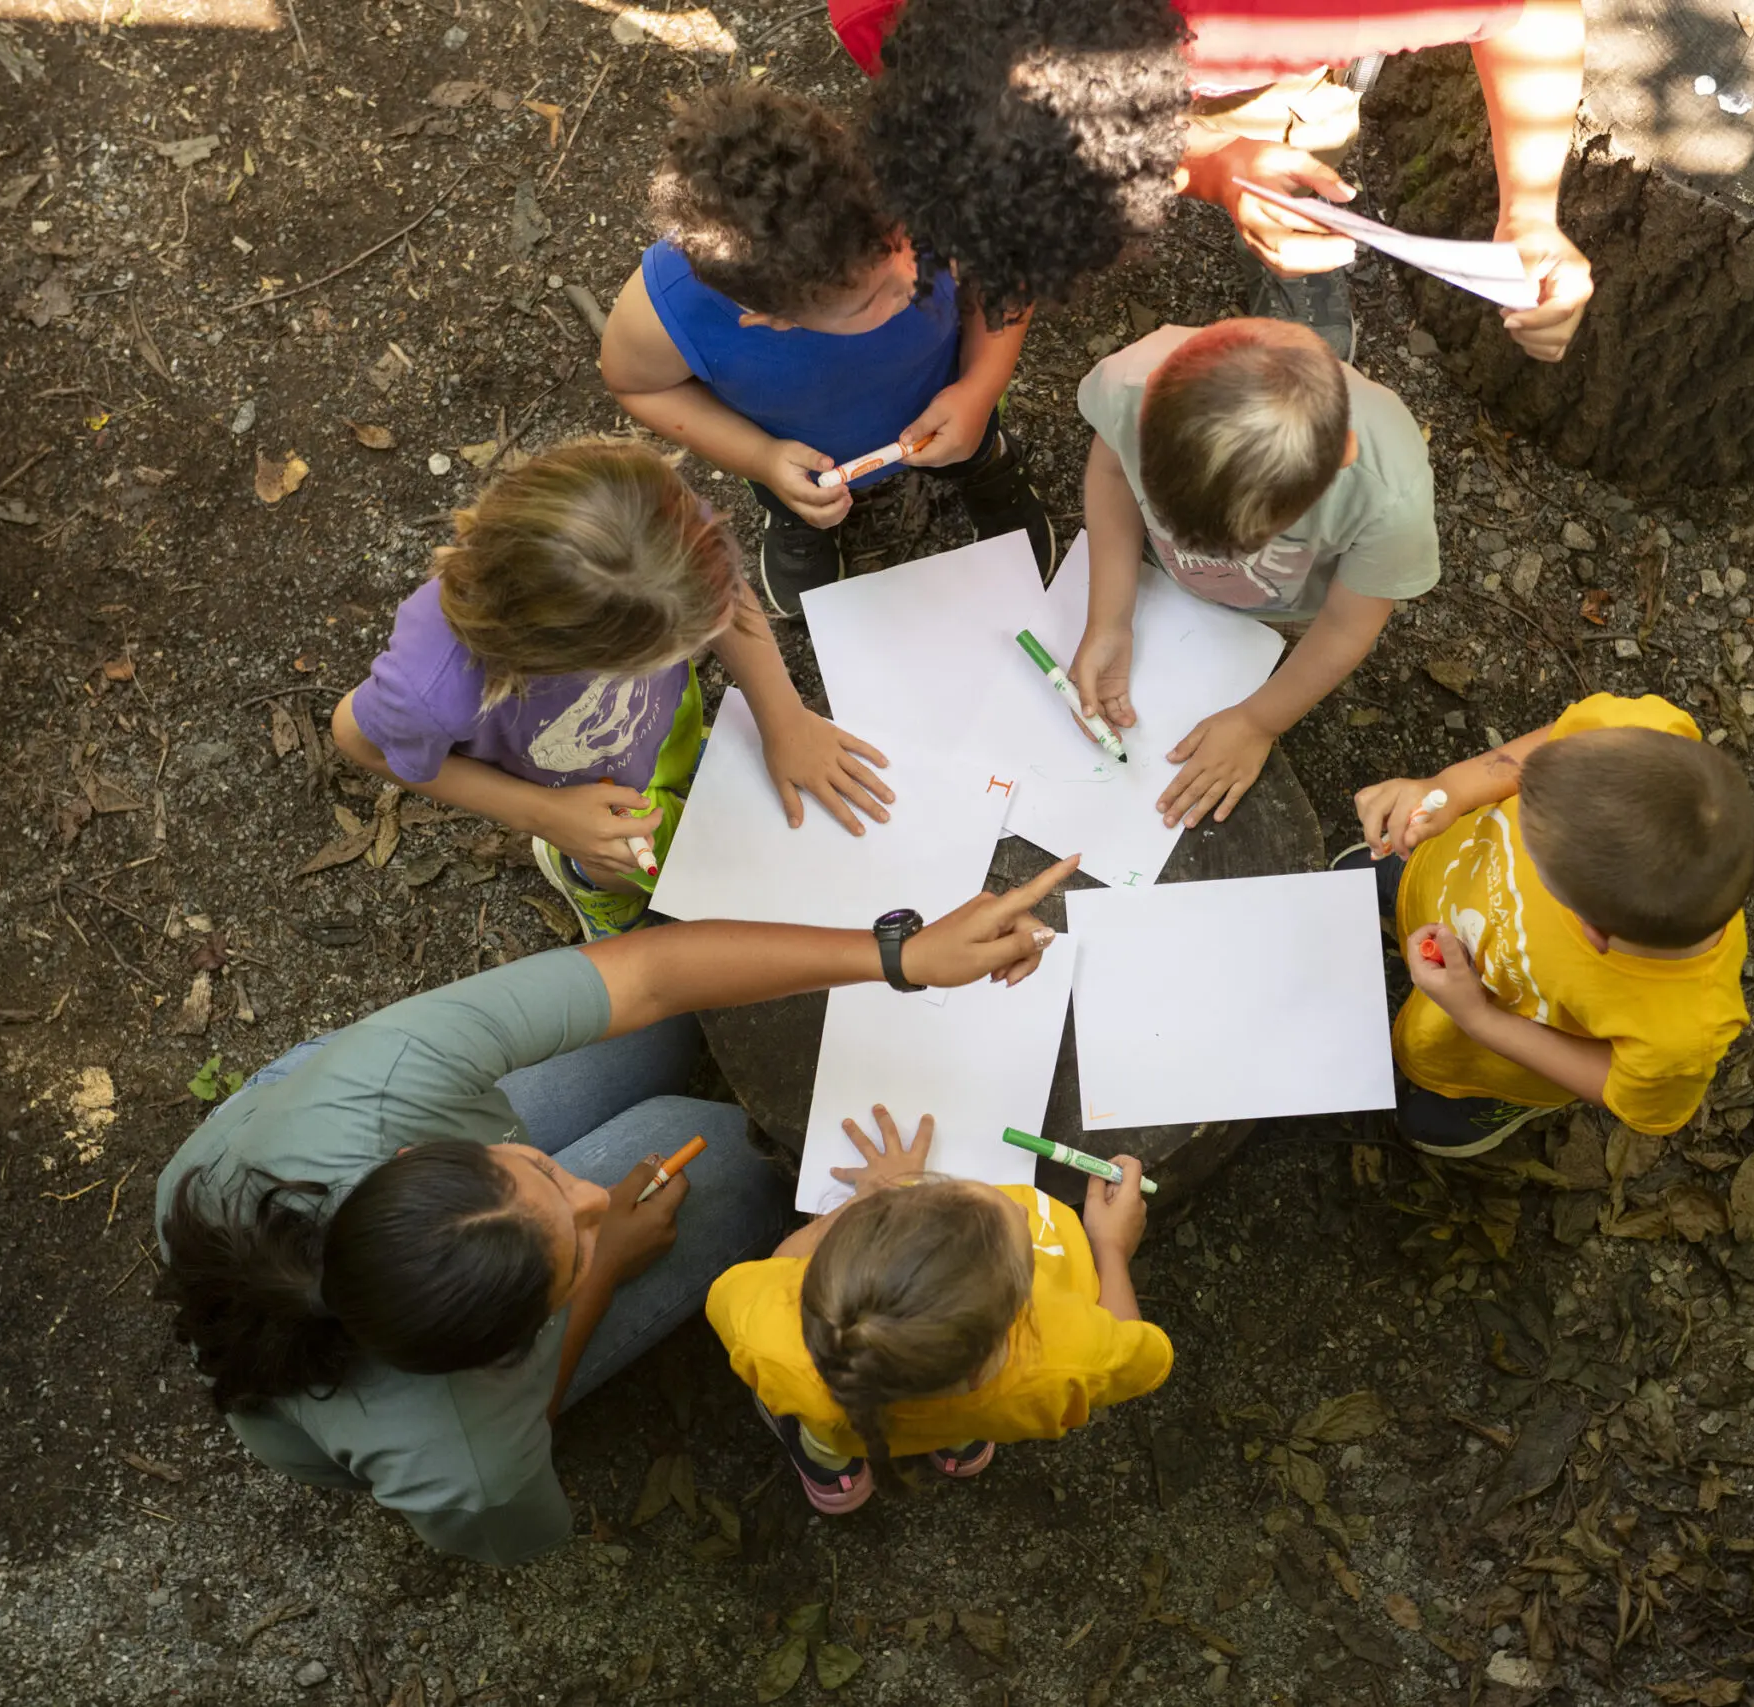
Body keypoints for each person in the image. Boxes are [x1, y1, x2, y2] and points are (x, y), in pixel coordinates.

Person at [153, 856, 1080, 1566]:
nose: (595, 1191)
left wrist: (902, 956)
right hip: (446, 1373)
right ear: (512, 1345)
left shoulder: (386, 1083)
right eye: (569, 1246)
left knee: (672, 1024)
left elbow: (647, 976)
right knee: (721, 1150)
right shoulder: (468, 1461)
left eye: (541, 1174)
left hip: (377, 1209)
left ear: (414, 1156)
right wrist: (604, 1272)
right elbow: (525, 1460)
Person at [330, 438, 893, 944]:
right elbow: (359, 740)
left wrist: (785, 719)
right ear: (570, 661)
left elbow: (724, 597)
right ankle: (586, 881)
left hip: (658, 723)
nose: (713, 633)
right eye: (681, 647)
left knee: (676, 776)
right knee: (623, 860)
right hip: (577, 785)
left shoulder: (649, 522)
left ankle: (673, 774)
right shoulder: (430, 688)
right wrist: (546, 815)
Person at [846, 0, 1591, 362]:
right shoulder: (889, 14)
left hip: (1267, 60)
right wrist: (1219, 169)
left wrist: (1530, 208)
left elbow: (1535, 15)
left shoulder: (1319, 15)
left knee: (1298, 131)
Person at [598, 82, 1054, 620]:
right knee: (796, 490)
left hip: (946, 394)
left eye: (907, 241)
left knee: (970, 446)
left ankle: (984, 470)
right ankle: (796, 513)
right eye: (873, 297)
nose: (916, 279)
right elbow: (634, 383)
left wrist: (979, 389)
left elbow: (1008, 277)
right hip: (802, 449)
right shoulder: (668, 313)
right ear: (770, 319)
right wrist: (762, 460)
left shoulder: (930, 189)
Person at [1345, 694, 1754, 1156]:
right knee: (1358, 893)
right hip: (1444, 871)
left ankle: (1486, 1099)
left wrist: (1478, 1016)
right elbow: (1553, 745)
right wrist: (1449, 791)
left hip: (1495, 1039)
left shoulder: (1684, 1031)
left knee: (1439, 1098)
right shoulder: (1643, 737)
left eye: (1530, 849)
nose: (1516, 812)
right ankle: (1404, 891)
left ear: (1591, 930)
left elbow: (1617, 1086)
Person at [1068, 318, 1439, 830]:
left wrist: (1258, 721)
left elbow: (1348, 623)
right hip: (1168, 581)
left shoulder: (1388, 494)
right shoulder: (1128, 384)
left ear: (1340, 461)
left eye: (1251, 539)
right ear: (1149, 400)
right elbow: (1111, 473)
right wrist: (1108, 620)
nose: (1215, 556)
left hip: (1291, 611)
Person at [704, 1105, 1164, 1513]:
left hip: (832, 1419)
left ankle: (833, 1475)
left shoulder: (772, 1346)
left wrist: (872, 1202)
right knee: (962, 1420)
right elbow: (1139, 1352)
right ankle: (960, 1446)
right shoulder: (1064, 1361)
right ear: (1016, 1313)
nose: (1023, 1213)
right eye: (1019, 1238)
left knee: (823, 1436)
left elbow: (766, 1272)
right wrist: (1111, 1247)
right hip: (987, 1408)